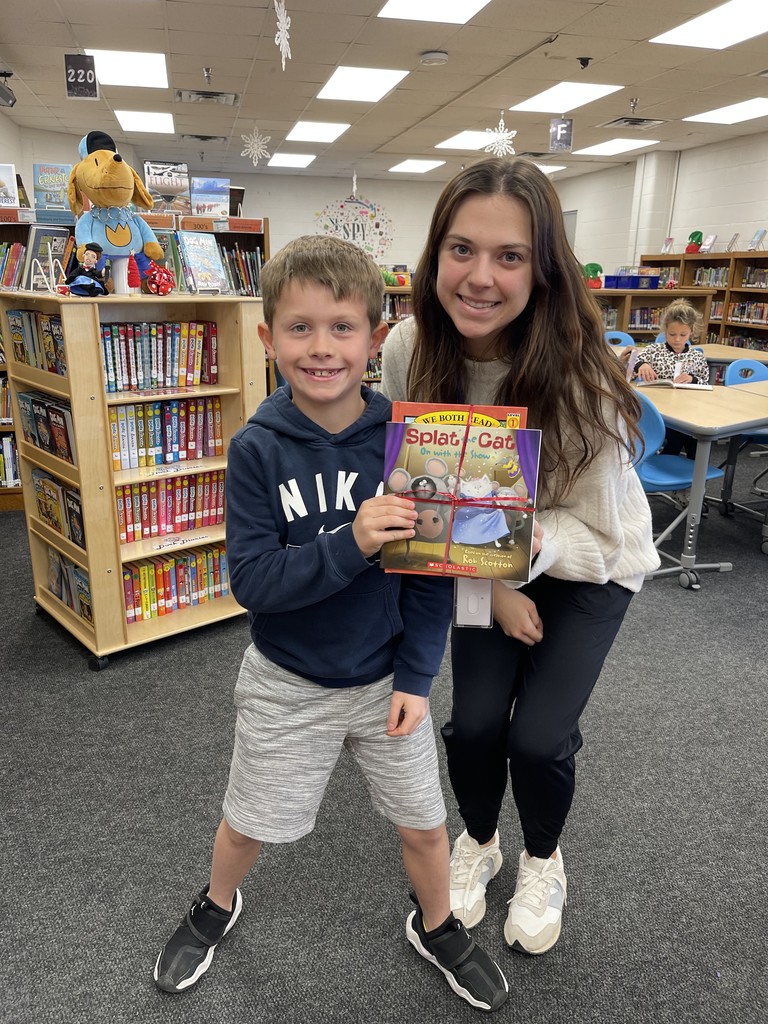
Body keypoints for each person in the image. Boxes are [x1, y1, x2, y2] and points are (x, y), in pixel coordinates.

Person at [154, 235, 509, 1012]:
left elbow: (428, 580)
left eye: (343, 328)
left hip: (386, 682)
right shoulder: (256, 449)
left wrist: (419, 677)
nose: (322, 348)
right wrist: (349, 542)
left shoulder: (412, 441)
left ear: (377, 338)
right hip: (287, 682)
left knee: (423, 825)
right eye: (301, 328)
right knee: (248, 823)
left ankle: (438, 923)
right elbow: (254, 583)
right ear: (267, 337)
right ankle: (216, 905)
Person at [380, 157, 660, 956]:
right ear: (434, 255)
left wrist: (526, 552)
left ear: (542, 269)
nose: (478, 276)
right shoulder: (408, 348)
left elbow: (607, 537)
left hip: (591, 560)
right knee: (471, 728)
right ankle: (480, 839)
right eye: (460, 249)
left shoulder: (582, 378)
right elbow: (432, 502)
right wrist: (496, 584)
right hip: (485, 562)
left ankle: (542, 856)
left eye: (509, 256)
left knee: (537, 736)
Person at [633, 298, 710, 458]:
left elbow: (705, 381)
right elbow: (634, 362)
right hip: (660, 409)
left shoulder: (696, 356)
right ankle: (670, 458)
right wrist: (641, 365)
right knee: (678, 436)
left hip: (687, 409)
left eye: (683, 335)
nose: (677, 339)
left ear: (692, 332)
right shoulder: (654, 350)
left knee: (693, 437)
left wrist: (692, 379)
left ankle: (691, 468)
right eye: (672, 334)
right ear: (664, 331)